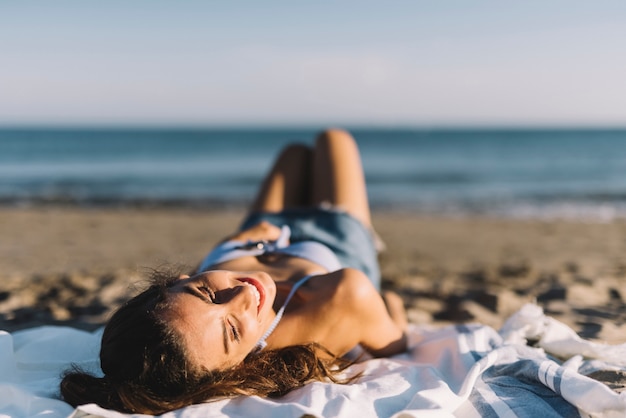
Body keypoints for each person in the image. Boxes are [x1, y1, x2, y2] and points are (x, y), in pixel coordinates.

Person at [60, 129, 408, 414]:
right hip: (334, 237)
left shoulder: (188, 326)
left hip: (257, 232)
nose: (244, 293)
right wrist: (390, 303)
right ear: (232, 369)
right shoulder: (340, 298)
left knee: (295, 154)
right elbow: (396, 341)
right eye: (231, 329)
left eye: (207, 293)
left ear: (178, 281)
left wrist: (239, 240)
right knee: (334, 140)